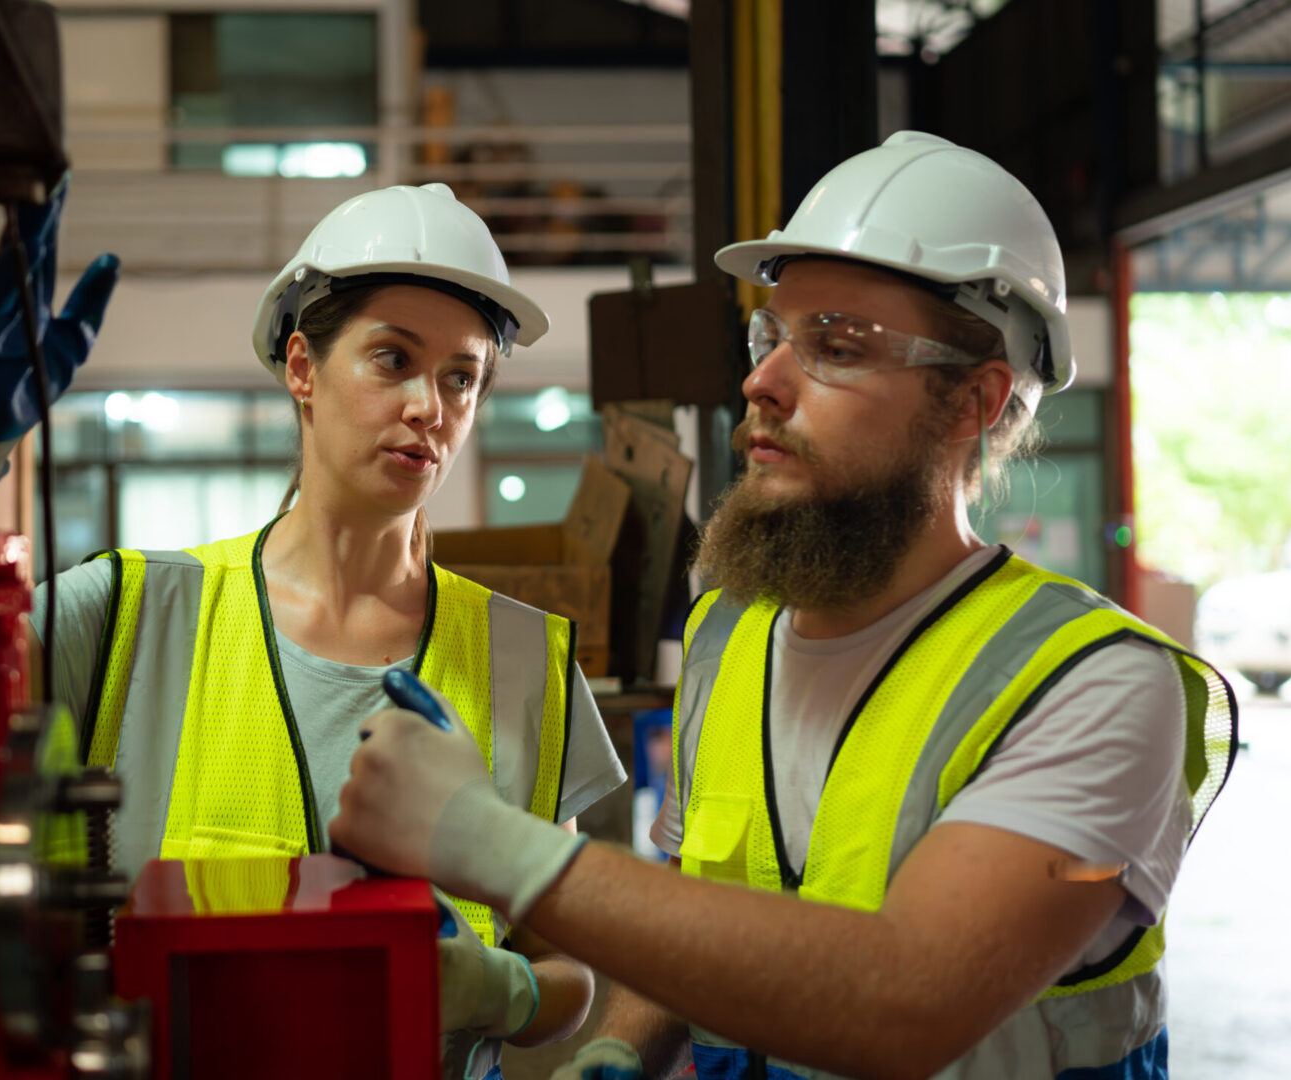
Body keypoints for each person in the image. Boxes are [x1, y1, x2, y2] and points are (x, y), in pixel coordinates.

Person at [329, 133, 1238, 1080]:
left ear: (975, 400)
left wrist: (490, 843)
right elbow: (702, 904)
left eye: (836, 347)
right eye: (771, 337)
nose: (761, 381)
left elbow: (910, 1002)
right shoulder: (732, 632)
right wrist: (615, 1054)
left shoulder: (1095, 686)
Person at [0, 181, 627, 1079]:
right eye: (392, 359)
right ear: (302, 368)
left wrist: (497, 990)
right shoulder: (128, 612)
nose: (430, 407)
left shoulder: (525, 662)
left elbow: (568, 973)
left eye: (461, 376)